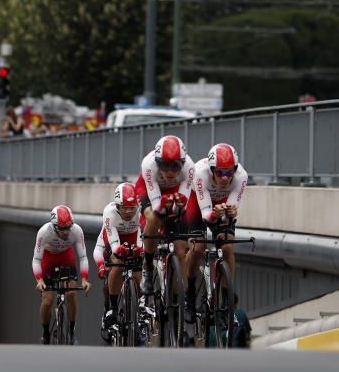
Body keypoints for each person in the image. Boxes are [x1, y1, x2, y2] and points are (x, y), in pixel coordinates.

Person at [187, 143, 248, 323]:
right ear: (211, 170)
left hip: (222, 202)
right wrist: (215, 213)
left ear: (235, 170)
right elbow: (206, 215)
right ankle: (190, 294)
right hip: (198, 204)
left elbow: (233, 207)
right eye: (220, 172)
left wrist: (230, 212)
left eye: (229, 172)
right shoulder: (200, 173)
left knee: (227, 246)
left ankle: (227, 298)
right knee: (198, 247)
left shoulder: (241, 176)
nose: (225, 177)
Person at [136, 135, 198, 297]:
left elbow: (182, 203)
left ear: (183, 165)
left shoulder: (190, 167)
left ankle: (175, 297)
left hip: (174, 192)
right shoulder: (148, 165)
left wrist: (176, 209)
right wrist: (163, 211)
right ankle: (148, 268)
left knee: (180, 249)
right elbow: (157, 206)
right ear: (157, 163)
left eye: (175, 167)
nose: (170, 172)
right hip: (150, 190)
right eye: (164, 166)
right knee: (153, 217)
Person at [32, 205, 90, 344]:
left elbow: (83, 257)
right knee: (47, 301)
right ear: (54, 226)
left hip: (66, 257)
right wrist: (39, 280)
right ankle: (46, 332)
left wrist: (84, 278)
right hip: (48, 260)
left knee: (71, 293)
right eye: (62, 229)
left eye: (68, 227)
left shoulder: (76, 231)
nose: (66, 232)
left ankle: (71, 329)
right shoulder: (44, 232)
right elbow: (36, 259)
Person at [95, 183, 140, 335]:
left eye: (132, 207)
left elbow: (143, 234)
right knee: (118, 262)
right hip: (114, 238)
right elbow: (114, 244)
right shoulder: (109, 212)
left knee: (139, 269)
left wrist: (140, 249)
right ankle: (113, 307)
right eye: (124, 207)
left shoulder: (141, 209)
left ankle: (137, 304)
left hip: (133, 237)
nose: (128, 211)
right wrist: (116, 252)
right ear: (117, 206)